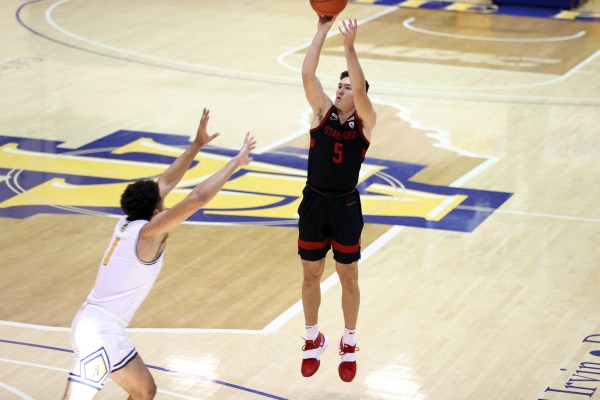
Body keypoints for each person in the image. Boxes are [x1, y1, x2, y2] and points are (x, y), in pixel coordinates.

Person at [62, 109, 256, 399]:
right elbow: (197, 198)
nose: (166, 205)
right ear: (155, 213)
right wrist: (235, 163)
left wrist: (196, 146)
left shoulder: (127, 221)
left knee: (144, 391)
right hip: (98, 332)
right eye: (162, 206)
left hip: (103, 325)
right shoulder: (147, 233)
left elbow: (165, 182)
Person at [298, 16, 377, 383]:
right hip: (314, 203)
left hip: (345, 207)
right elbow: (307, 74)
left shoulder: (365, 122)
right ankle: (313, 337)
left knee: (348, 278)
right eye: (341, 85)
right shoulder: (321, 113)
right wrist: (322, 30)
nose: (343, 89)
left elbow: (361, 93)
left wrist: (350, 49)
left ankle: (349, 341)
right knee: (310, 274)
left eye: (349, 85)